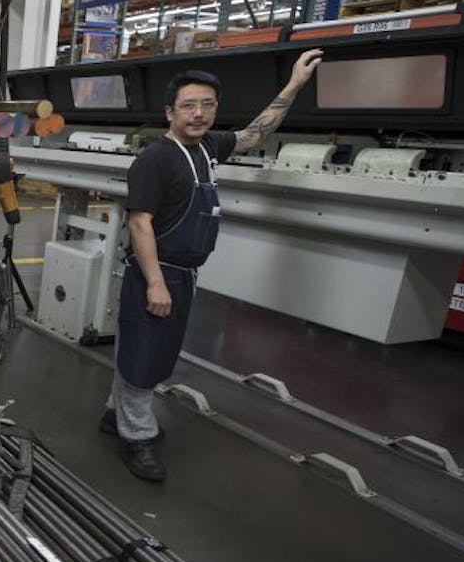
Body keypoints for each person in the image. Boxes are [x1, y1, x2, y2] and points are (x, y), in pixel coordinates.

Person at [102, 48, 324, 481]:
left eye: (207, 105)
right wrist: (155, 283)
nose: (199, 113)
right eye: (188, 105)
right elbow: (140, 223)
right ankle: (137, 437)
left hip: (184, 274)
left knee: (150, 353)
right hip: (157, 272)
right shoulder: (155, 159)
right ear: (170, 112)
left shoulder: (207, 149)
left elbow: (255, 134)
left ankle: (116, 415)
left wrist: (295, 83)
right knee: (144, 358)